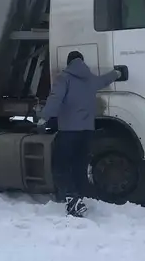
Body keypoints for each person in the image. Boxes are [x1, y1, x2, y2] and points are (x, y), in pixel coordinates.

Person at [39, 51, 127, 217]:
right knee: (79, 165)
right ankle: (79, 195)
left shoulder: (64, 78)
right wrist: (117, 73)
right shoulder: (90, 79)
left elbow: (55, 98)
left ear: (68, 62)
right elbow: (104, 80)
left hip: (68, 131)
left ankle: (72, 200)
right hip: (87, 131)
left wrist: (44, 117)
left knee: (61, 165)